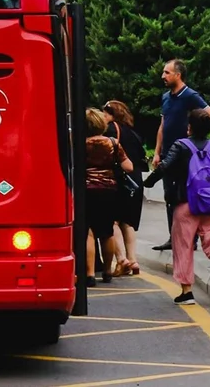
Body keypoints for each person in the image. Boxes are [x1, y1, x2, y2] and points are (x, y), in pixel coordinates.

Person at [144, 109, 210, 304]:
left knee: (183, 246)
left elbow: (164, 166)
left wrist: (148, 182)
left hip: (185, 203)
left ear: (189, 127)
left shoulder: (181, 146)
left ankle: (186, 291)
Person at [151, 59, 210, 251]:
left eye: (166, 72)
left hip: (186, 155)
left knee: (186, 197)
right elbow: (163, 126)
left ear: (178, 75)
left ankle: (190, 238)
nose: (163, 76)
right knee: (169, 196)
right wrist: (157, 152)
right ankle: (174, 237)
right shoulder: (166, 97)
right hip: (167, 154)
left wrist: (195, 136)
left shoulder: (190, 96)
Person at [84, 108, 134, 287]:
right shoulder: (113, 143)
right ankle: (107, 271)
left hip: (86, 190)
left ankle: (89, 274)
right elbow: (129, 167)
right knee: (107, 232)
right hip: (109, 191)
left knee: (87, 232)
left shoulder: (79, 144)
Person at [103, 100, 148, 276]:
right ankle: (133, 260)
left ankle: (122, 259)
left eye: (105, 113)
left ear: (112, 114)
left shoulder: (111, 130)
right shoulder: (133, 132)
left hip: (119, 179)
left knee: (112, 221)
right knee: (128, 223)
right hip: (135, 181)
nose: (103, 117)